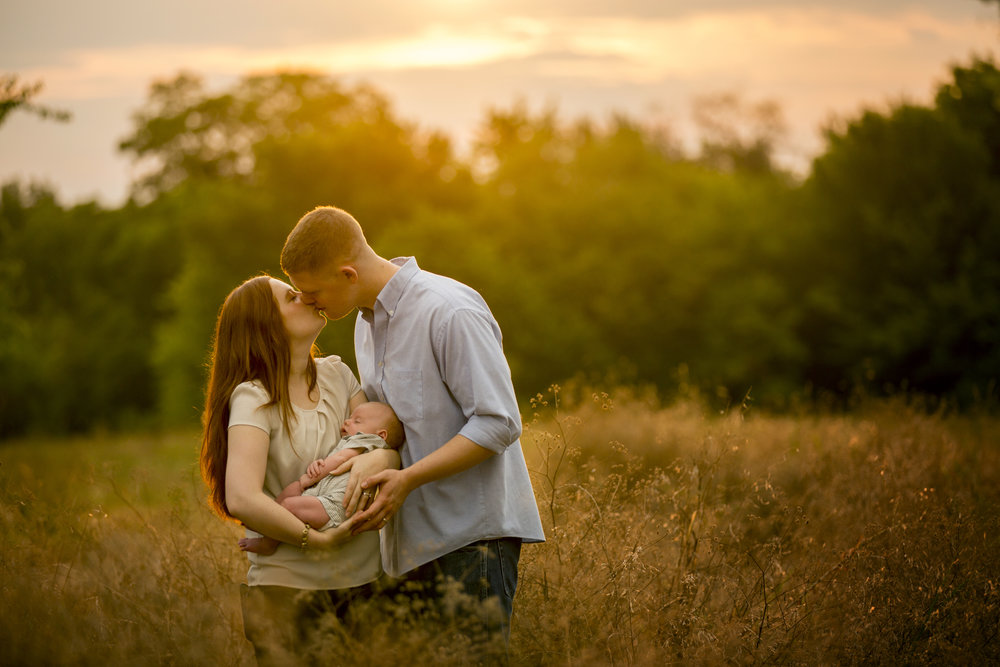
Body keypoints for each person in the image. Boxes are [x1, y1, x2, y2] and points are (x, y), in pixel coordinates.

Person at [280, 205, 545, 655]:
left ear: (347, 273)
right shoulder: (365, 326)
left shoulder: (449, 309)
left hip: (472, 540)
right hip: (409, 545)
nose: (307, 302)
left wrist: (408, 478)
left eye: (312, 292)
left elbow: (499, 421)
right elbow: (396, 427)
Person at [199, 274, 400, 665]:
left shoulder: (338, 375)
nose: (307, 296)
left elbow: (382, 437)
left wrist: (385, 459)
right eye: (292, 297)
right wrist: (316, 540)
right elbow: (242, 496)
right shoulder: (253, 397)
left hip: (365, 583)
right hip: (288, 593)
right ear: (266, 326)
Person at [238, 401, 404, 556]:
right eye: (350, 418)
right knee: (292, 490)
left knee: (290, 504)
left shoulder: (368, 441)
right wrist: (320, 465)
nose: (347, 422)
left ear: (381, 435)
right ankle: (266, 518)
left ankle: (268, 543)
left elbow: (339, 459)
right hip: (323, 494)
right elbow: (335, 460)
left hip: (335, 507)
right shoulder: (356, 442)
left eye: (357, 421)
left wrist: (308, 479)